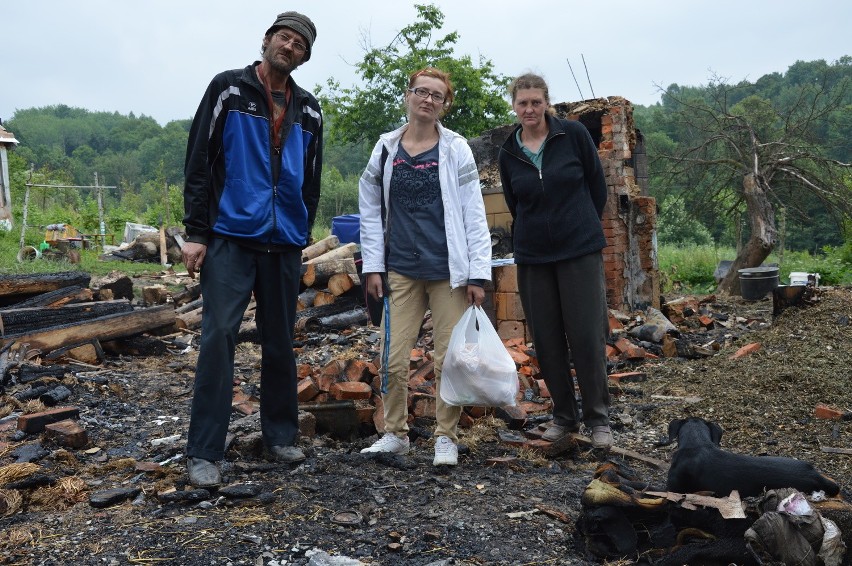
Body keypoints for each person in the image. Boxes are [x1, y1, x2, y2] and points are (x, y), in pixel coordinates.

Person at [181, 11, 323, 487]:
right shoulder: (228, 89)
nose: (289, 46)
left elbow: (311, 180)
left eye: (299, 44)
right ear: (267, 40)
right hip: (231, 238)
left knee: (280, 338)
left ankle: (280, 436)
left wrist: (301, 236)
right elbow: (199, 160)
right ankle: (203, 452)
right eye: (284, 37)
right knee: (219, 335)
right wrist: (196, 232)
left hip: (283, 243)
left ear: (304, 56)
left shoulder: (309, 109)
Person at [358, 67, 492, 466]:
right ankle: (395, 434)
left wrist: (477, 274)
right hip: (399, 268)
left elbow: (474, 213)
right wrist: (373, 267)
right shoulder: (385, 149)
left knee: (447, 357)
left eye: (437, 95)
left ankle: (445, 437)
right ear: (408, 96)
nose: (427, 99)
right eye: (421, 91)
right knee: (393, 357)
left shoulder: (455, 149)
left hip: (448, 271)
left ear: (445, 104)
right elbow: (369, 210)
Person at [497, 73, 613, 450]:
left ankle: (598, 419)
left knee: (586, 336)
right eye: (522, 103)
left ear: (546, 102)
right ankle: (564, 417)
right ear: (514, 106)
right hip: (534, 256)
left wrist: (580, 225)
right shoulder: (508, 152)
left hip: (579, 250)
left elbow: (597, 186)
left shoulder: (573, 136)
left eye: (535, 102)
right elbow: (515, 203)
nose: (529, 109)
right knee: (546, 340)